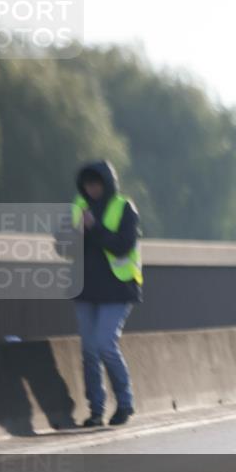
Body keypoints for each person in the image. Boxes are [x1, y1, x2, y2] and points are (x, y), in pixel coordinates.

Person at [69, 160, 143, 427]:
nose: (92, 188)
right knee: (89, 350)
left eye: (96, 182)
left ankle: (124, 403)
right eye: (87, 184)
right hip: (87, 289)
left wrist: (95, 228)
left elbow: (123, 246)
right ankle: (96, 410)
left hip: (118, 289)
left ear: (107, 183)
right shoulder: (78, 208)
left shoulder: (125, 208)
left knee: (104, 344)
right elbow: (65, 246)